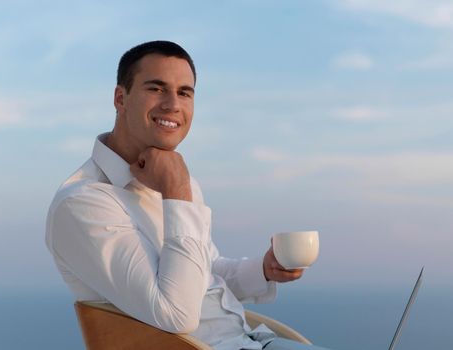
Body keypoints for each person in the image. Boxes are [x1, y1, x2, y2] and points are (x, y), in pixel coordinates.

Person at [46, 40, 322, 350]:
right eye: (156, 88)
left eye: (184, 92)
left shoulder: (170, 179)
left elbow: (202, 275)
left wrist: (264, 268)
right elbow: (177, 314)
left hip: (251, 340)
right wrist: (176, 192)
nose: (173, 105)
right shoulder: (83, 203)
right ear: (120, 98)